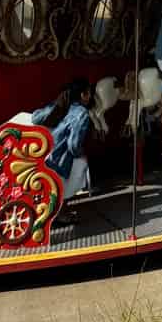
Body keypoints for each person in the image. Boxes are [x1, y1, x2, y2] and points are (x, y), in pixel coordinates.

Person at [33, 77, 94, 221]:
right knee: (80, 164)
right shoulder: (82, 114)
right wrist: (81, 154)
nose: (90, 96)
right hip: (59, 157)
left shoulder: (63, 106)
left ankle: (58, 208)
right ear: (82, 95)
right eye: (88, 93)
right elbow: (74, 144)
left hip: (46, 152)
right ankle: (60, 210)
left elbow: (36, 117)